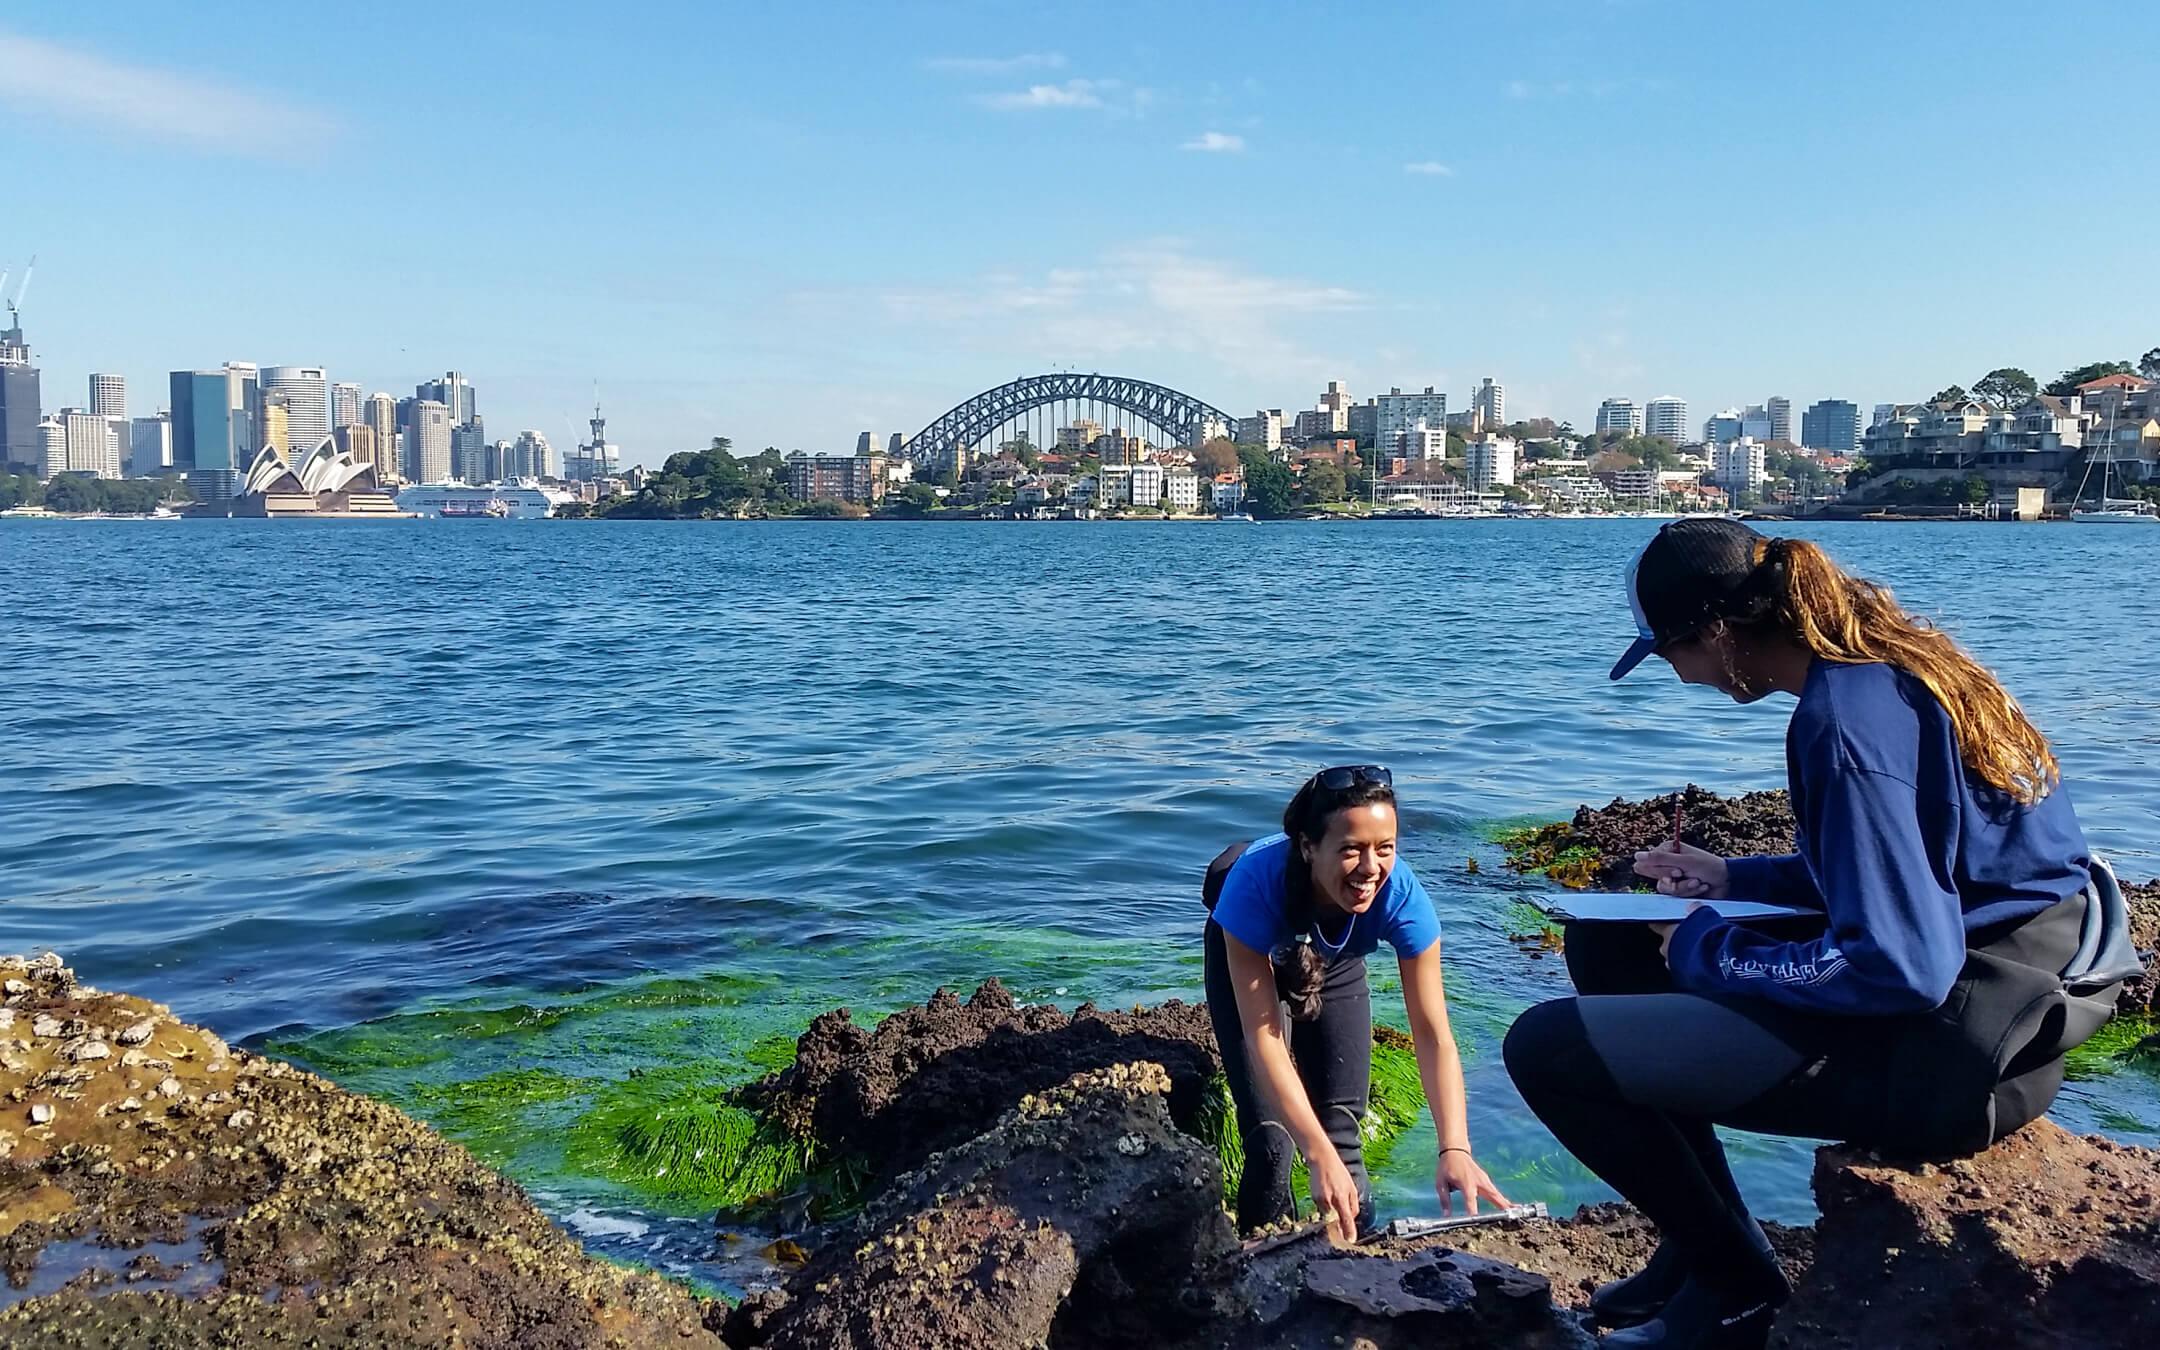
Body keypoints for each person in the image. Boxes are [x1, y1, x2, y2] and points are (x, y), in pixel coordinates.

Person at [1504, 519, 2128, 1349]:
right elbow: (1924, 868)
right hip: (2014, 1005)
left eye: (1669, 653)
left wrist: (1707, 951)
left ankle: (1736, 1299)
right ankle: (1701, 1247)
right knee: (1607, 944)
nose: (1679, 677)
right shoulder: (1891, 673)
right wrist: (1736, 880)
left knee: (1546, 1048)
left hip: (1957, 1057)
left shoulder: (1841, 727)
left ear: (1719, 635)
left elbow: (1901, 966)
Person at [1204, 764, 1506, 1243]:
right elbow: (1266, 1041)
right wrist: (1313, 1153)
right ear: (1308, 847)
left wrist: (1456, 1147)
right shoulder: (1254, 886)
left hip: (1336, 958)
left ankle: (1354, 1264)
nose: (1371, 868)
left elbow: (1432, 1035)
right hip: (1254, 945)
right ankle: (1254, 1277)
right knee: (1272, 1143)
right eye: (1351, 849)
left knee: (1341, 1133)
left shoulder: (1402, 897)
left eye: (1385, 849)